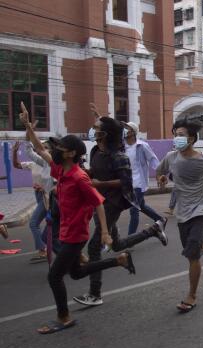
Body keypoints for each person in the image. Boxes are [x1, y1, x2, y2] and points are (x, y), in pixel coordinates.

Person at [18, 102, 136, 334]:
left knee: (54, 277)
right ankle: (119, 260)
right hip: (66, 231)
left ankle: (64, 317)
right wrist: (27, 127)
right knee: (76, 272)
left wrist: (103, 232)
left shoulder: (79, 177)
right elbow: (40, 150)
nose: (55, 150)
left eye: (60, 147)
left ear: (71, 153)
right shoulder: (61, 170)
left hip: (75, 235)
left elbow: (99, 203)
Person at [73, 113, 168, 307]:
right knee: (116, 245)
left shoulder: (119, 156)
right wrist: (85, 174)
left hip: (113, 203)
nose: (93, 130)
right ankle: (153, 230)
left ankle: (95, 293)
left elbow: (126, 181)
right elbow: (95, 172)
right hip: (99, 201)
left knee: (94, 247)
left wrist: (101, 183)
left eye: (96, 127)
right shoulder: (96, 152)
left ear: (105, 134)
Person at [156, 118, 203, 313]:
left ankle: (192, 295)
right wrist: (163, 178)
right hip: (182, 213)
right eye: (175, 134)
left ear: (191, 139)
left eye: (181, 135)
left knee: (192, 254)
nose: (176, 138)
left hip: (201, 210)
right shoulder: (171, 157)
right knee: (193, 250)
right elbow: (160, 171)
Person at [12, 140, 53, 263]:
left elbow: (55, 181)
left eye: (45, 147)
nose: (41, 149)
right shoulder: (34, 163)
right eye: (40, 147)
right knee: (50, 223)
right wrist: (14, 152)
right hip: (38, 196)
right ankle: (50, 247)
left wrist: (44, 187)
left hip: (47, 195)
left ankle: (43, 250)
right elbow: (16, 165)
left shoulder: (50, 164)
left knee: (33, 223)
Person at [123, 122, 166, 235]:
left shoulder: (142, 145)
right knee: (140, 206)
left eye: (126, 128)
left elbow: (153, 159)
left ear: (133, 132)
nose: (124, 130)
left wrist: (159, 175)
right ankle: (160, 219)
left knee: (134, 209)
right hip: (127, 182)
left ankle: (130, 238)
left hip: (138, 182)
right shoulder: (122, 146)